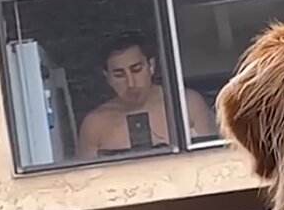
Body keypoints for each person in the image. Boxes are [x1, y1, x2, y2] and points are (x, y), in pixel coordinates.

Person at [77, 31, 216, 158]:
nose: (130, 83)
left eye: (136, 70)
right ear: (107, 77)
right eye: (119, 75)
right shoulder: (95, 125)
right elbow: (87, 179)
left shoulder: (186, 104)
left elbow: (210, 160)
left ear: (151, 66)